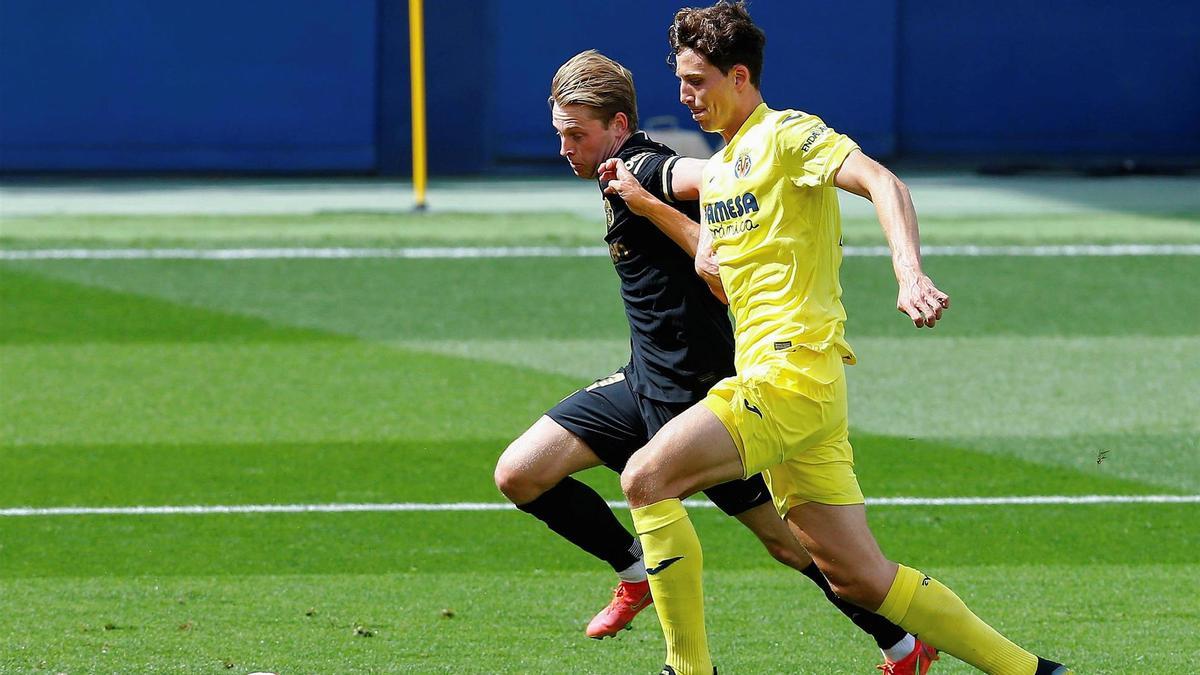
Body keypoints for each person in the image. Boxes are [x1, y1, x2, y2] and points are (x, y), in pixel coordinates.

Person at [606, 4, 1074, 674]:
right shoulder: (721, 173)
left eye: (697, 80)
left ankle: (688, 670)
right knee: (859, 578)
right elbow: (717, 276)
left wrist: (908, 270)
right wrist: (653, 208)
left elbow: (883, 182)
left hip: (788, 377)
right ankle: (1031, 671)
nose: (684, 95)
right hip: (803, 395)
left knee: (647, 477)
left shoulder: (788, 136)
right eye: (679, 80)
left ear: (740, 77)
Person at [493, 49, 937, 673]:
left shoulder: (645, 169)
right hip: (643, 386)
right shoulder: (615, 175)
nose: (565, 148)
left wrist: (689, 201)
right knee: (519, 473)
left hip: (702, 400)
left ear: (618, 127)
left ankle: (903, 644)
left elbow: (717, 179)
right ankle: (636, 571)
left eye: (576, 134)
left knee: (792, 544)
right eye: (560, 134)